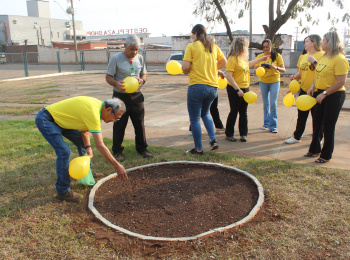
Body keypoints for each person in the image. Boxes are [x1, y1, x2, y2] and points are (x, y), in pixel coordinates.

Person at [35, 96, 128, 203]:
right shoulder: (93, 111)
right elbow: (100, 146)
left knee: (81, 141)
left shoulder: (98, 108)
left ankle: (87, 172)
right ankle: (63, 191)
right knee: (64, 152)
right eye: (116, 117)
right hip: (47, 120)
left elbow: (85, 131)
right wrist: (117, 166)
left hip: (61, 120)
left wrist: (87, 147)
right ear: (109, 110)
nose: (115, 121)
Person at [106, 35, 153, 162]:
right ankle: (117, 151)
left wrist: (142, 80)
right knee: (119, 124)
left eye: (137, 49)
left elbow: (144, 74)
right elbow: (108, 77)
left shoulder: (140, 58)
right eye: (132, 49)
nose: (134, 52)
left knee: (139, 124)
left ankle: (142, 149)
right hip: (120, 97)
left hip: (137, 96)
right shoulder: (116, 58)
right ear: (125, 46)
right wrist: (116, 83)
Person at [182, 24, 227, 155]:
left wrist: (189, 69)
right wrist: (214, 69)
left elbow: (185, 68)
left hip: (197, 86)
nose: (192, 37)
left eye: (192, 35)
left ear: (195, 33)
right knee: (205, 113)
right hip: (213, 87)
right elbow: (224, 61)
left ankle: (198, 148)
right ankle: (213, 140)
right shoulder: (213, 47)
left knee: (195, 118)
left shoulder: (192, 46)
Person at [304, 31, 349, 163]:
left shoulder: (340, 59)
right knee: (317, 122)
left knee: (328, 125)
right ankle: (314, 149)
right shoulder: (324, 57)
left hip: (334, 95)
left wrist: (325, 94)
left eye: (324, 41)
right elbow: (318, 74)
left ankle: (326, 155)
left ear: (331, 42)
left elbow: (341, 82)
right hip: (320, 92)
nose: (321, 43)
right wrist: (313, 87)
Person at [225, 37, 269, 142]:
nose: (247, 48)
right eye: (246, 46)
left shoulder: (242, 59)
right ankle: (229, 134)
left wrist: (261, 59)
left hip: (245, 88)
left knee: (243, 112)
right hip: (234, 88)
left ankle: (243, 134)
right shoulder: (232, 59)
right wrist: (237, 90)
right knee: (234, 111)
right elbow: (229, 76)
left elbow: (249, 64)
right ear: (241, 46)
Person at [285, 35, 324, 144]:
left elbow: (323, 71)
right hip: (304, 89)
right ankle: (297, 137)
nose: (304, 43)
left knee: (316, 117)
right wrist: (294, 76)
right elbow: (301, 72)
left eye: (307, 41)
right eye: (304, 41)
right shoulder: (303, 56)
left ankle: (318, 138)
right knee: (301, 115)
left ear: (314, 43)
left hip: (316, 90)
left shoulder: (322, 55)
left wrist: (314, 61)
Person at [254, 39, 285, 133]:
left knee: (273, 103)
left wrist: (276, 67)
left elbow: (284, 70)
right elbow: (255, 70)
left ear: (271, 46)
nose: (265, 49)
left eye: (267, 46)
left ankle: (273, 126)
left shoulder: (277, 56)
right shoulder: (260, 56)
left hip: (275, 81)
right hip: (263, 82)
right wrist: (261, 68)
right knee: (266, 103)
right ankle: (266, 123)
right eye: (264, 47)